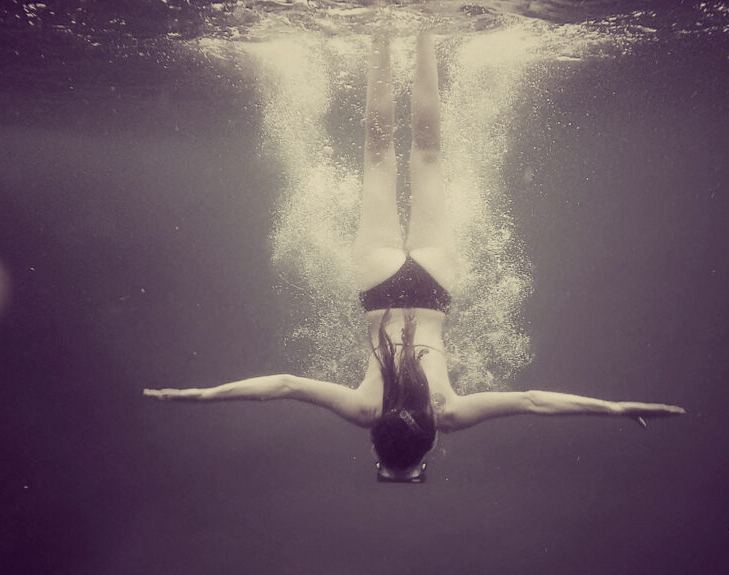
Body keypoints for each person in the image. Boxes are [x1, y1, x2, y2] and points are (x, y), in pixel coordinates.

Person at [143, 32, 684, 483]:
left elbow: (534, 400)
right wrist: (201, 395)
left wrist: (614, 408)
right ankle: (383, 30)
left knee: (428, 153)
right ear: (377, 447)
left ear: (425, 449)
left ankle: (422, 29)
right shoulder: (363, 411)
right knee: (378, 154)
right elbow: (282, 385)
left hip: (434, 287)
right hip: (377, 283)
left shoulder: (448, 415)